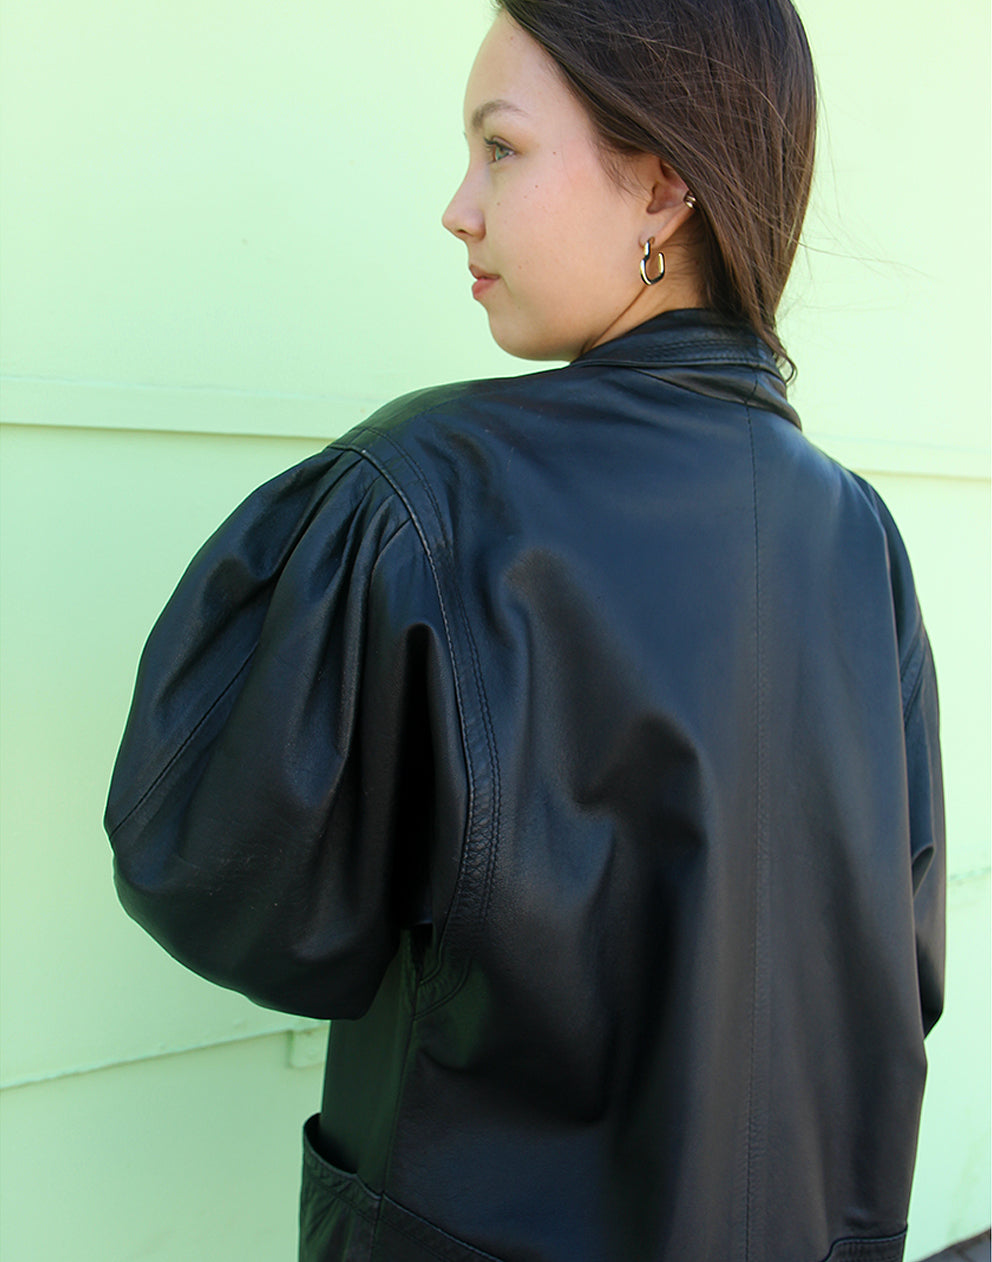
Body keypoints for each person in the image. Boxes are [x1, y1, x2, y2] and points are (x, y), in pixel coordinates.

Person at [105, 1, 945, 1259]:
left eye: (499, 148)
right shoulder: (858, 537)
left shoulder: (429, 490)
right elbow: (903, 975)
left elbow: (226, 887)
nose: (458, 205)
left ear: (660, 187)